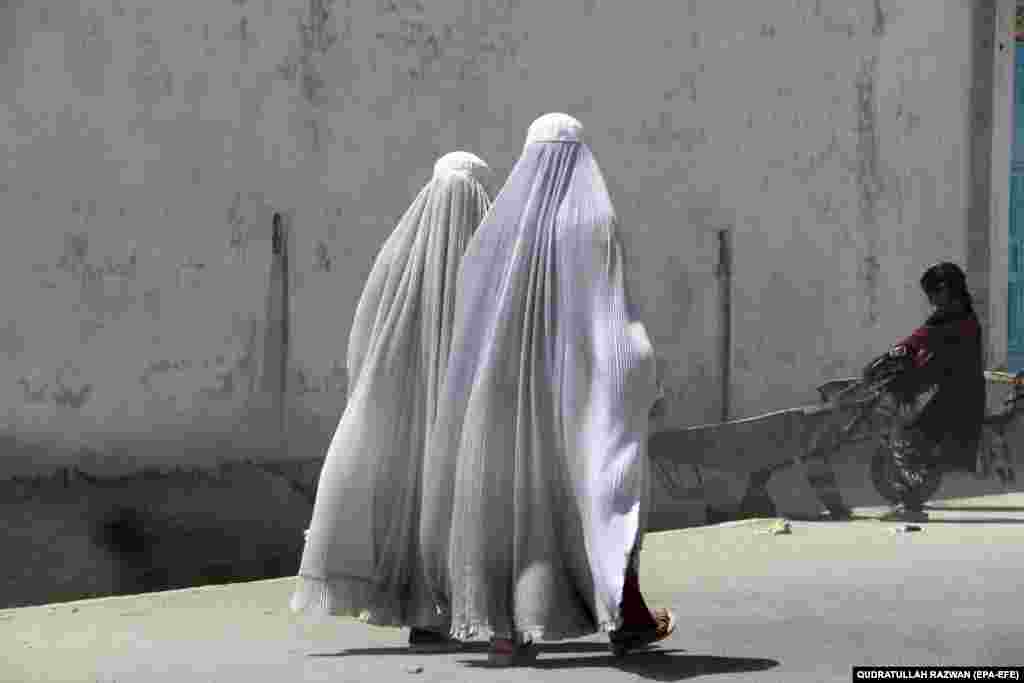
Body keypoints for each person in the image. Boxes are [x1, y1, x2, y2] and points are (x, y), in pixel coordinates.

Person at [418, 113, 675, 667]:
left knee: (513, 513)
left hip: (501, 402)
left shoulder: (496, 231)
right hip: (575, 401)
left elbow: (472, 325)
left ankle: (510, 635)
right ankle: (626, 618)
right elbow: (611, 316)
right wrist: (642, 378)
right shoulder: (592, 220)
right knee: (606, 500)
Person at [290, 152, 494, 653]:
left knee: (410, 505)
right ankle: (457, 612)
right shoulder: (494, 253)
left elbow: (364, 337)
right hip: (466, 414)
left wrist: (376, 393)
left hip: (403, 414)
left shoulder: (402, 253)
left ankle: (420, 612)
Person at [865, 261, 985, 521]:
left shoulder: (959, 318)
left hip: (959, 395)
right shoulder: (951, 313)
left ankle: (910, 505)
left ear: (945, 289)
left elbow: (926, 341)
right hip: (951, 391)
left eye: (933, 293)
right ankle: (910, 501)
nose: (930, 300)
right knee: (918, 443)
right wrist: (900, 354)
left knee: (914, 442)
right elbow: (921, 339)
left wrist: (895, 358)